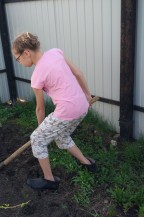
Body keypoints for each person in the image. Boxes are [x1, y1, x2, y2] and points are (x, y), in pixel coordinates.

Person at [12, 32, 97, 190]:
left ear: (26, 53)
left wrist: (41, 130)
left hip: (67, 110)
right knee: (61, 135)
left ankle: (49, 180)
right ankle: (87, 163)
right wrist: (87, 95)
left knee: (37, 139)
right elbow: (78, 73)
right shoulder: (56, 52)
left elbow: (40, 108)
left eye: (18, 58)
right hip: (83, 107)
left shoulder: (37, 76)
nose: (19, 61)